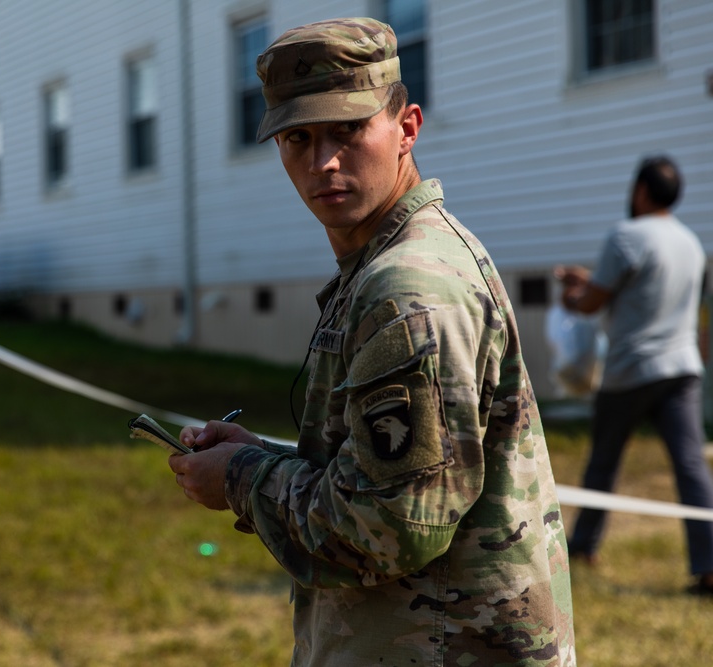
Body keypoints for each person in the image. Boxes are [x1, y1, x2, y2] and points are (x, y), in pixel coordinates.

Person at [168, 18, 575, 665]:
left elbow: (387, 527)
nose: (323, 161)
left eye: (348, 131)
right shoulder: (386, 265)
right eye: (298, 137)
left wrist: (243, 477)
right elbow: (387, 471)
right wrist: (267, 453)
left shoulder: (407, 288)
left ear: (407, 127)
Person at [557, 155, 713, 595]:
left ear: (641, 191)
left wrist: (571, 295)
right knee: (690, 467)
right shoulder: (690, 243)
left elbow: (592, 303)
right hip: (682, 369)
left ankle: (583, 547)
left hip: (631, 370)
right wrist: (590, 282)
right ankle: (709, 565)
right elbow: (643, 289)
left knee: (603, 463)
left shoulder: (625, 235)